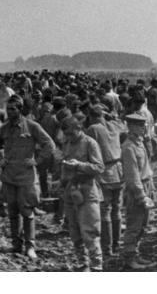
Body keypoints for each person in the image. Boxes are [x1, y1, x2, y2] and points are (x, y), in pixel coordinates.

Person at [0, 95, 55, 259]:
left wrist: (37, 160)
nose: (9, 112)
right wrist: (1, 159)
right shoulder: (5, 128)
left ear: (20, 109)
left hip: (26, 177)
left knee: (27, 212)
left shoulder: (32, 126)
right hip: (9, 176)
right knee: (13, 212)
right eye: (8, 109)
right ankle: (16, 244)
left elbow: (49, 144)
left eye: (13, 109)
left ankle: (30, 246)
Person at [60, 116, 105, 272]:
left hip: (87, 191)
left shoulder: (90, 143)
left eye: (71, 133)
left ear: (79, 129)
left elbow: (99, 167)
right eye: (66, 134)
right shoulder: (67, 143)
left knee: (90, 232)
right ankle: (83, 264)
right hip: (71, 191)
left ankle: (96, 266)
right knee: (74, 232)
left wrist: (79, 165)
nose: (69, 137)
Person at [85, 101, 125, 257]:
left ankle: (107, 248)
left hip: (104, 172)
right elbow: (123, 129)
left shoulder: (93, 129)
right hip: (118, 170)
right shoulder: (115, 125)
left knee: (105, 210)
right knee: (116, 209)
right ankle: (116, 245)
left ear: (92, 117)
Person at [121, 112, 156, 269]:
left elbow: (146, 167)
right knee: (134, 224)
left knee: (143, 224)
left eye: (145, 125)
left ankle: (136, 253)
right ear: (131, 127)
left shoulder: (140, 142)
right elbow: (132, 176)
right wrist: (141, 196)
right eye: (141, 125)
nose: (144, 128)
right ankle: (129, 258)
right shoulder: (128, 147)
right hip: (137, 189)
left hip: (147, 185)